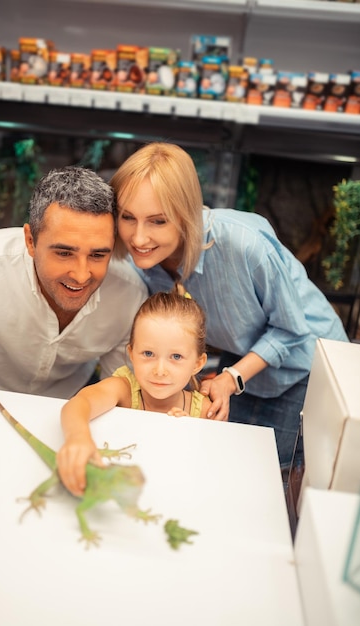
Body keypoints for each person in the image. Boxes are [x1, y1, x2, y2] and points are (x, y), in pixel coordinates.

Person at [108, 142, 349, 471]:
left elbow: (292, 328)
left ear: (186, 214)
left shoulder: (242, 243)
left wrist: (231, 377)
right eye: (128, 217)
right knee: (218, 460)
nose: (138, 237)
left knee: (267, 470)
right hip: (245, 352)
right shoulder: (143, 262)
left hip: (309, 362)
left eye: (157, 221)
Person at [0, 165, 147, 398]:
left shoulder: (130, 296)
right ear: (31, 241)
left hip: (69, 407)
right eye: (64, 253)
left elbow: (117, 393)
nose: (81, 275)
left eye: (97, 255)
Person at [57, 287, 210, 495]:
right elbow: (79, 403)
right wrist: (78, 437)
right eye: (148, 353)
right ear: (131, 353)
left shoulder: (204, 412)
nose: (160, 370)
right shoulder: (124, 389)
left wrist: (190, 432)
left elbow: (208, 469)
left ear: (197, 363)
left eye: (176, 357)